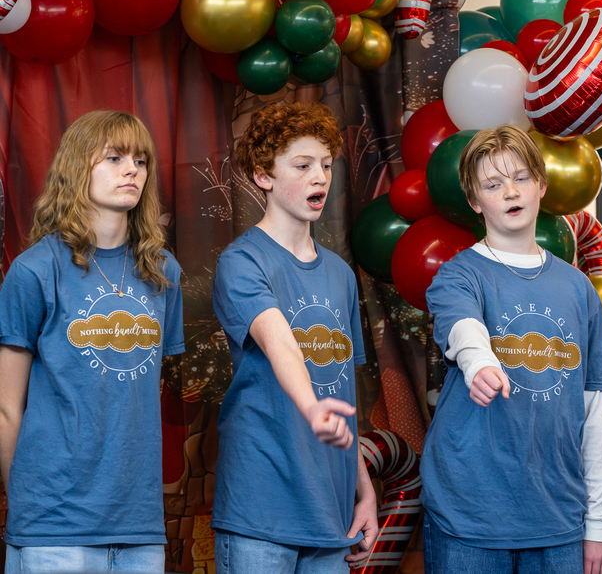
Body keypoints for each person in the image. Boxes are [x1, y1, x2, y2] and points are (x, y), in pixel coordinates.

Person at [420, 124, 602, 574]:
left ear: (541, 185)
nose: (510, 191)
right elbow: (463, 327)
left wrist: (599, 523)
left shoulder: (579, 289)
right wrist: (479, 364)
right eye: (493, 184)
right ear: (475, 201)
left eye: (521, 178)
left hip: (558, 519)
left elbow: (594, 409)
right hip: (468, 516)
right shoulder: (458, 275)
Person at [0, 110, 184, 573]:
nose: (132, 170)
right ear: (77, 166)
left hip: (139, 526)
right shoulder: (34, 271)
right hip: (54, 527)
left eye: (141, 161)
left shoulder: (164, 272)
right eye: (115, 157)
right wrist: (25, 506)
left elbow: (139, 394)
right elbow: (5, 408)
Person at [211, 102, 377, 573]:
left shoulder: (342, 276)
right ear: (264, 176)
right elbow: (279, 340)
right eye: (302, 166)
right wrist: (310, 408)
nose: (320, 177)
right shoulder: (243, 262)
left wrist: (362, 490)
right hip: (260, 512)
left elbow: (340, 395)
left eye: (325, 165)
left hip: (330, 515)